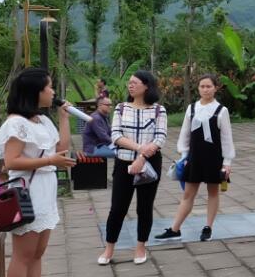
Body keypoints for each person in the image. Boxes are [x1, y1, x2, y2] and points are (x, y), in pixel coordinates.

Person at [0, 68, 77, 277]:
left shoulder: (42, 120)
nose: (53, 91)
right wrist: (49, 161)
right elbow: (11, 161)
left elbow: (60, 149)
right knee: (23, 254)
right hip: (26, 191)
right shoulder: (16, 124)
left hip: (45, 189)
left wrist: (63, 119)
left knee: (38, 252)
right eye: (49, 87)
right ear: (35, 92)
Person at [155, 74, 235, 243]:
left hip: (214, 158)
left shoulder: (221, 111)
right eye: (202, 86)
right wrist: (184, 156)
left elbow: (227, 139)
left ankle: (208, 228)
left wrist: (227, 163)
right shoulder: (191, 109)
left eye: (209, 86)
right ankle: (175, 229)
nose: (205, 89)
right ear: (198, 88)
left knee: (213, 192)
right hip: (194, 158)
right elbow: (185, 134)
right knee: (188, 194)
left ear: (216, 88)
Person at [100, 71, 167, 266]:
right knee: (117, 208)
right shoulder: (121, 108)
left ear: (146, 86)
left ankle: (140, 247)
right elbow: (116, 136)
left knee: (144, 207)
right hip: (124, 163)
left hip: (150, 163)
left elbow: (160, 138)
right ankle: (109, 248)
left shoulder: (158, 110)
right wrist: (139, 149)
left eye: (135, 82)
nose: (130, 85)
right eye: (129, 82)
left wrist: (142, 158)